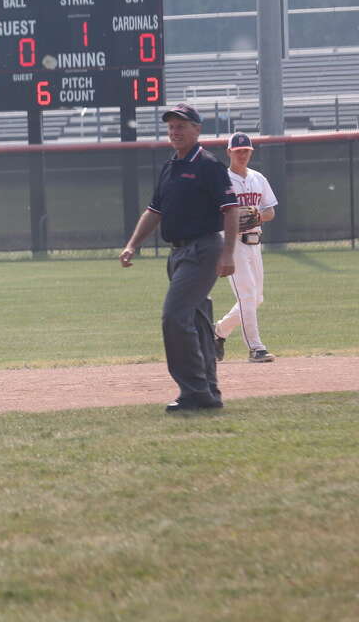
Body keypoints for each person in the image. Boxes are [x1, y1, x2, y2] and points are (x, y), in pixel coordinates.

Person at [119, 103, 241, 412]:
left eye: (182, 125)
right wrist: (133, 244)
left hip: (203, 249)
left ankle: (193, 392)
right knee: (197, 323)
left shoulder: (209, 165)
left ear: (197, 129)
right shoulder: (170, 166)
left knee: (174, 317)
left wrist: (228, 252)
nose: (175, 130)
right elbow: (154, 210)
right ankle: (208, 393)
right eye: (171, 126)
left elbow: (231, 209)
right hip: (178, 253)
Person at [213, 132, 279, 363]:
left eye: (246, 151)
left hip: (254, 243)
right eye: (238, 151)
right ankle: (256, 348)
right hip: (231, 244)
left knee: (255, 298)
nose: (242, 154)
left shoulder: (258, 178)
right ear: (229, 152)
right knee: (248, 295)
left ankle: (219, 331)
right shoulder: (221, 179)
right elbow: (211, 213)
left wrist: (257, 215)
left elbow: (270, 210)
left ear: (251, 152)